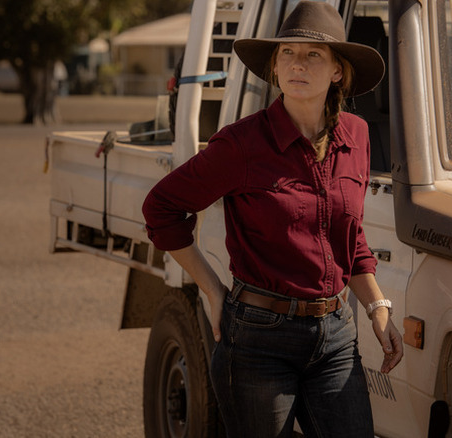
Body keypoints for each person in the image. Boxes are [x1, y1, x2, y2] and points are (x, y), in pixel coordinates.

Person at [142, 2, 403, 436]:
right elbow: (161, 209)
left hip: (336, 337)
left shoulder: (355, 136)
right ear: (275, 67)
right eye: (287, 53)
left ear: (338, 71)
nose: (297, 64)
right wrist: (210, 288)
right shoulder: (242, 144)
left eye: (313, 55)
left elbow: (349, 235)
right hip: (258, 341)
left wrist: (377, 307)